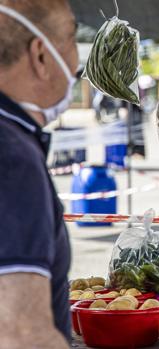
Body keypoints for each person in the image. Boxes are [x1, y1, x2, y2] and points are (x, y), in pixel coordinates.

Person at [0, 0, 78, 347]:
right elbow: (21, 332)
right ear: (41, 57)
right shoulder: (12, 156)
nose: (77, 63)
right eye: (73, 41)